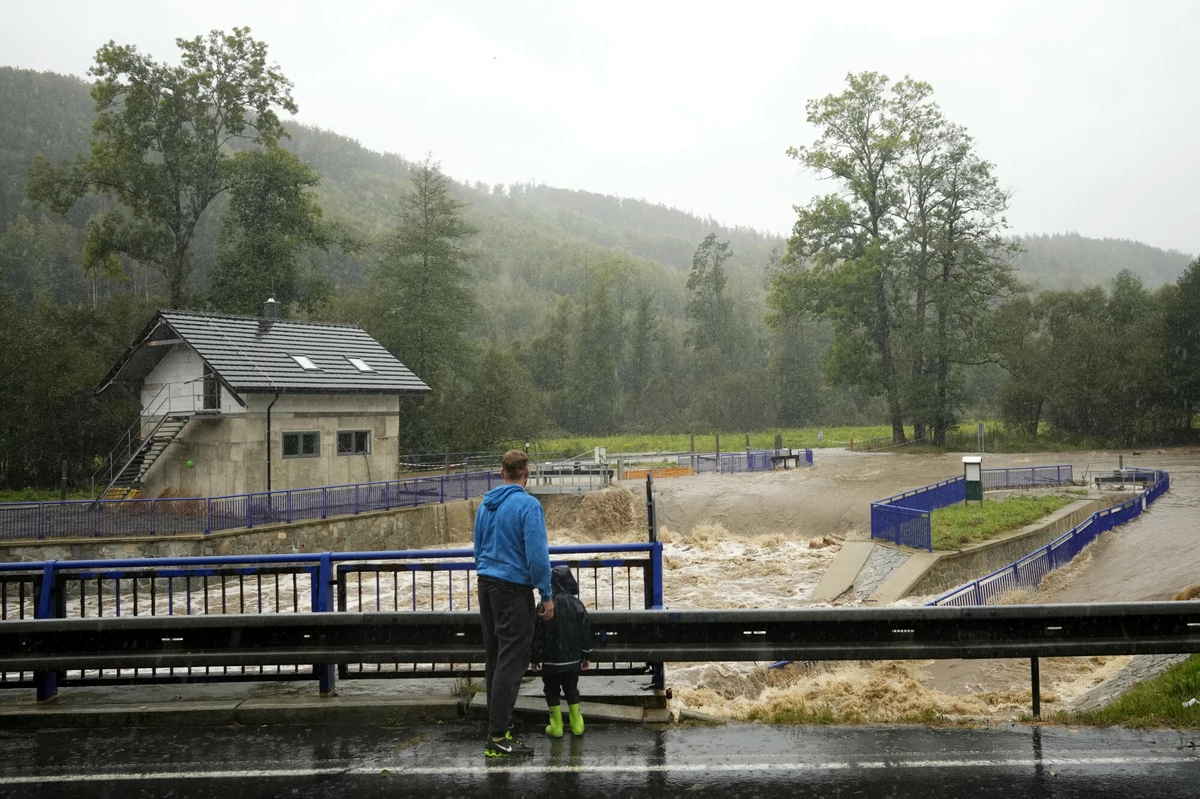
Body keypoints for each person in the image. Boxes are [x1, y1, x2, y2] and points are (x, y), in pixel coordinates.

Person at [474, 449, 553, 758]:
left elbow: (478, 549)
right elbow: (537, 556)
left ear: (501, 473)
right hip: (513, 589)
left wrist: (489, 573)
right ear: (527, 473)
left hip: (486, 585)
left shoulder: (485, 505)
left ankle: (498, 727)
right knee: (512, 660)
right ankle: (496, 735)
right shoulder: (528, 506)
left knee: (495, 657)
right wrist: (546, 595)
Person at [531, 564, 592, 737]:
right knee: (571, 689)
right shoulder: (577, 605)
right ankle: (577, 724)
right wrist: (586, 654)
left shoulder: (544, 606)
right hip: (572, 661)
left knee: (551, 691)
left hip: (550, 662)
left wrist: (535, 658)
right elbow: (585, 632)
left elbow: (537, 635)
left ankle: (556, 726)